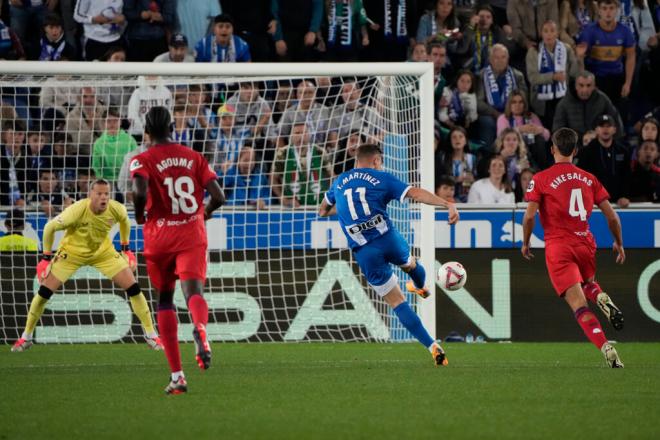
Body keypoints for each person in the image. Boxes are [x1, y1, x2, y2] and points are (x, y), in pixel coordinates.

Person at [318, 143, 459, 366]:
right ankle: (421, 287)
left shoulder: (339, 182)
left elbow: (323, 210)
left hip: (364, 251)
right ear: (376, 161)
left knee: (397, 302)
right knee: (411, 264)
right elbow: (416, 194)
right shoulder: (382, 178)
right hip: (388, 239)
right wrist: (447, 204)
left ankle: (433, 347)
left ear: (358, 160)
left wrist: (346, 211)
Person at [130, 106, 225, 395]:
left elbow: (139, 190)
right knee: (194, 292)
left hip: (159, 237)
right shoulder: (194, 157)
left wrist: (138, 214)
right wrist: (204, 213)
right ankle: (200, 327)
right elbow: (219, 196)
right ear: (173, 127)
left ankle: (177, 376)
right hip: (191, 233)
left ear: (146, 132)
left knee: (165, 300)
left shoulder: (142, 159)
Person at [11, 178, 163, 353]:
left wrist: (126, 249)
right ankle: (26, 336)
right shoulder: (77, 210)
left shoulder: (116, 208)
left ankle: (151, 334)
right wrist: (45, 259)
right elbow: (49, 228)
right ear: (90, 195)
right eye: (99, 194)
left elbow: (124, 222)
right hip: (71, 254)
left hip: (103, 253)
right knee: (43, 292)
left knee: (134, 289)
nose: (103, 197)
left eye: (106, 193)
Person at [522, 127, 625, 368]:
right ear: (576, 151)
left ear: (552, 149)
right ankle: (600, 295)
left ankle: (605, 346)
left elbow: (529, 217)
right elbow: (612, 218)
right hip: (585, 243)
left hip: (559, 246)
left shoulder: (541, 178)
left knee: (579, 305)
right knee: (588, 284)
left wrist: (526, 242)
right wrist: (619, 243)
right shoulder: (590, 178)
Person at [576, 114, 632, 207]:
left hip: (618, 203)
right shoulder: (586, 152)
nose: (605, 129)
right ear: (596, 130)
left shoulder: (623, 151)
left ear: (614, 129)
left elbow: (627, 176)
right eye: (602, 126)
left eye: (608, 126)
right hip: (593, 203)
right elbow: (581, 177)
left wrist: (624, 196)